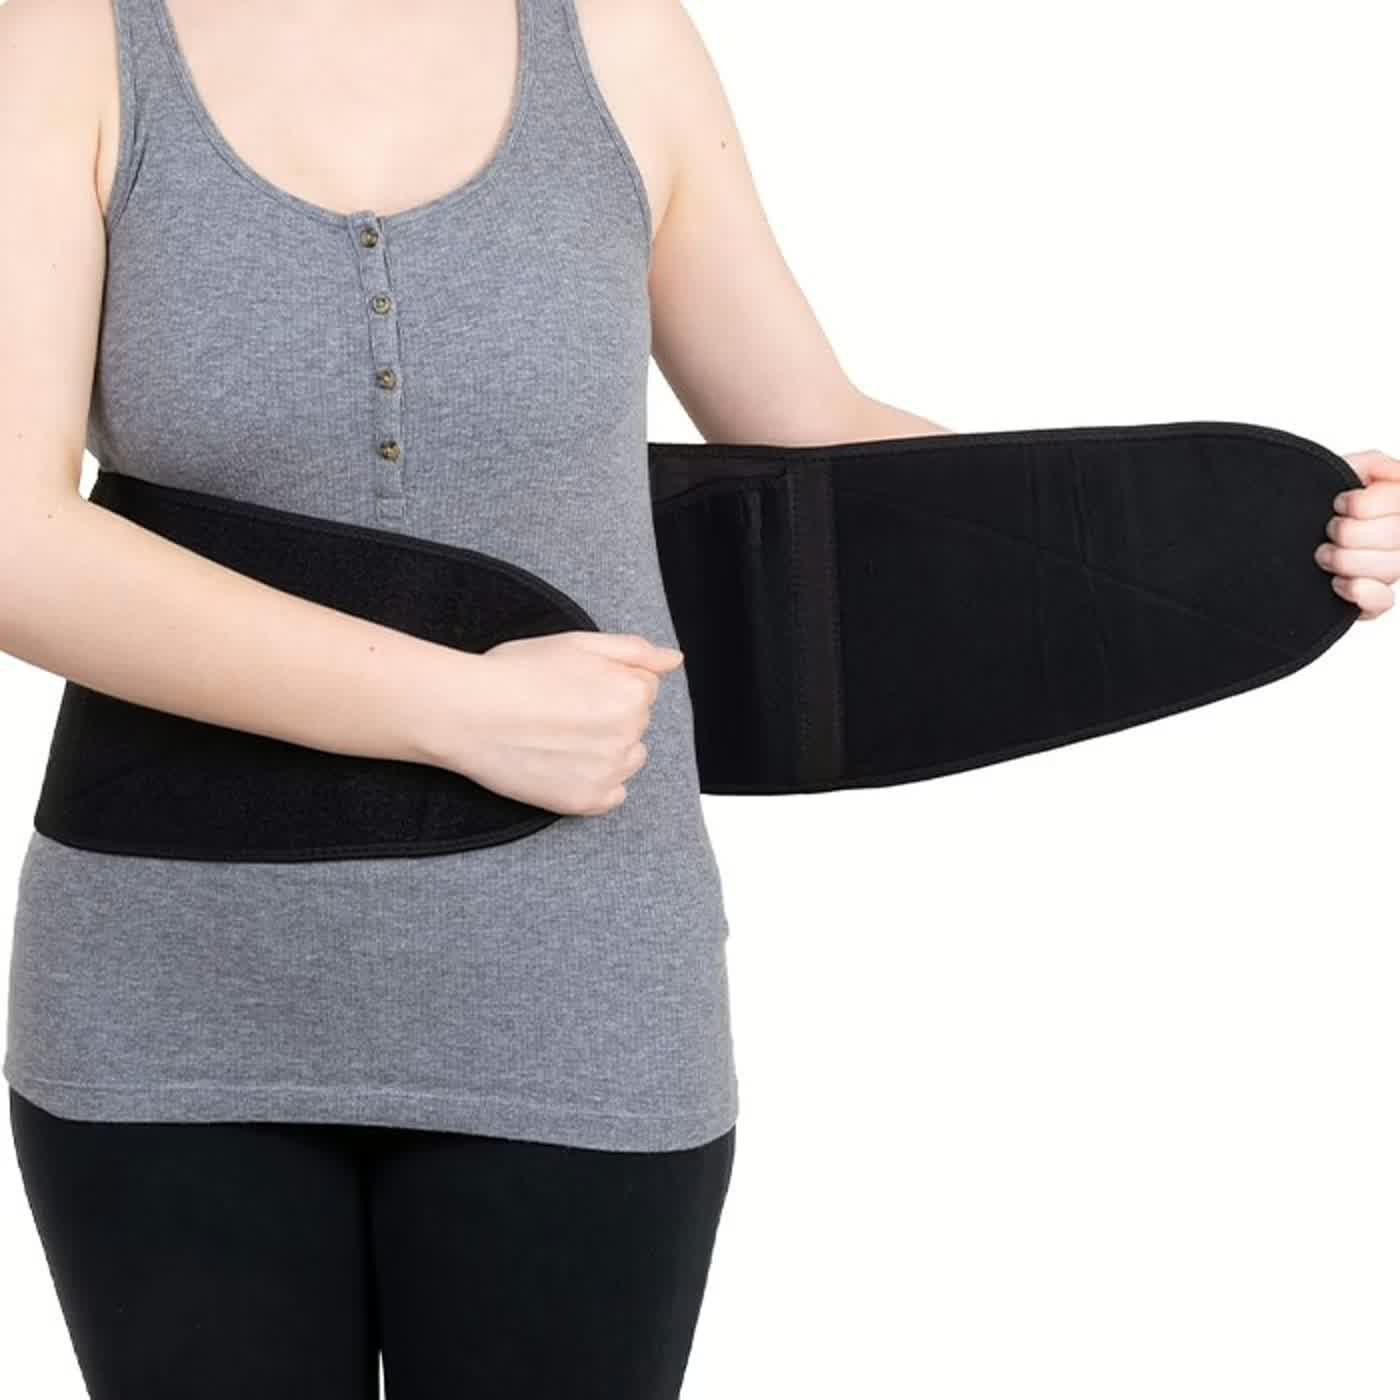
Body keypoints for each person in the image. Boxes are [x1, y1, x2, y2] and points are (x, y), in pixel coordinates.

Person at [1, 0, 1396, 1397]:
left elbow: (814, 439)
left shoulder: (615, 39)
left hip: (580, 987)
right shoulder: (61, 40)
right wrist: (453, 708)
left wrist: (1265, 544)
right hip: (169, 994)